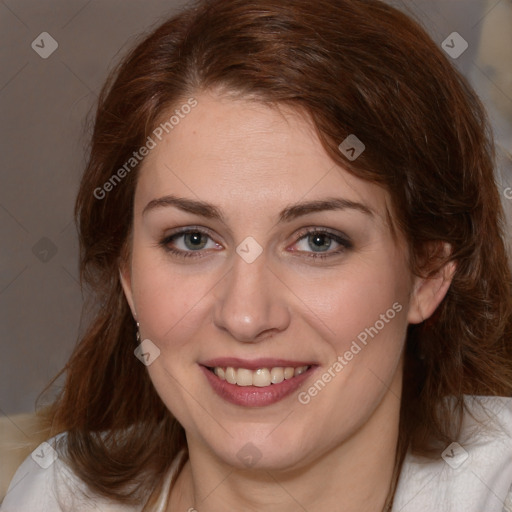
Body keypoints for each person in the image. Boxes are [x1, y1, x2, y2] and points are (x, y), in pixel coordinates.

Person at [2, 0, 512, 511]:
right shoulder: (56, 495)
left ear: (428, 274)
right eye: (192, 239)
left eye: (318, 240)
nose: (245, 316)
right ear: (128, 274)